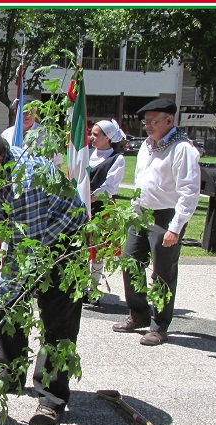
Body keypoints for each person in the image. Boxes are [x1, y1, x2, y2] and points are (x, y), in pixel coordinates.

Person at [0, 124, 87, 425]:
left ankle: (52, 398)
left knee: (58, 323)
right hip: (33, 238)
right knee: (9, 309)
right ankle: (9, 378)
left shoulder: (26, 181)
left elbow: (28, 257)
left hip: (65, 242)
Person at [112, 99, 200, 346]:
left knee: (163, 273)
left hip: (165, 216)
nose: (148, 126)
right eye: (145, 121)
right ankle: (138, 314)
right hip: (141, 213)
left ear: (169, 121)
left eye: (153, 121)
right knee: (130, 262)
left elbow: (189, 192)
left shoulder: (183, 149)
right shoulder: (147, 147)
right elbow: (142, 181)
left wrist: (175, 227)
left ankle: (160, 326)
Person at [83, 119, 126, 305]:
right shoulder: (86, 154)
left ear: (107, 137)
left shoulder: (117, 158)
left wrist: (93, 195)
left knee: (97, 251)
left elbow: (111, 186)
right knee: (81, 248)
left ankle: (93, 288)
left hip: (101, 209)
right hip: (82, 208)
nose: (92, 138)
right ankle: (81, 286)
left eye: (95, 134)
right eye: (92, 133)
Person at [1, 96, 63, 166]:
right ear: (16, 112)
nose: (27, 115)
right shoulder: (6, 134)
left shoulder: (46, 135)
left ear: (35, 111)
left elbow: (57, 163)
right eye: (24, 112)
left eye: (30, 111)